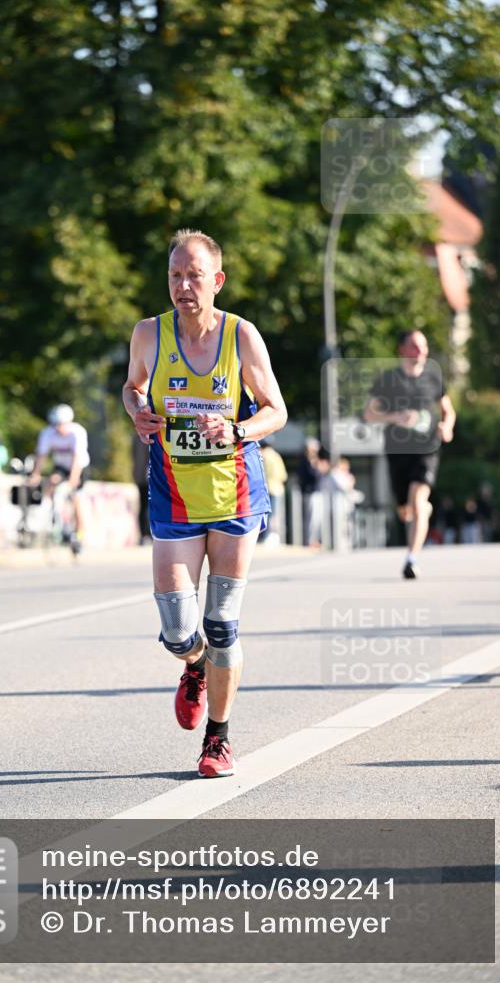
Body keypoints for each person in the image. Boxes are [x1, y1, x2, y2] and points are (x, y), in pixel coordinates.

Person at [122, 228, 287, 778]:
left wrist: (238, 429)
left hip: (234, 493)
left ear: (216, 281)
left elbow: (276, 411)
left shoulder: (241, 337)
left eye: (194, 276)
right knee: (177, 628)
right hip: (173, 493)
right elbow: (133, 387)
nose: (183, 286)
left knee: (222, 624)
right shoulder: (149, 334)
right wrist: (137, 409)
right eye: (175, 275)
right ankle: (192, 666)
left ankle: (218, 739)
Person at [364, 330, 455, 579]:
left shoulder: (433, 379)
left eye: (424, 346)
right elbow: (369, 414)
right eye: (415, 346)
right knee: (406, 509)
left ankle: (411, 559)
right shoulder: (388, 380)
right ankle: (420, 510)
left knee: (417, 499)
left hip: (427, 449)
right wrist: (395, 417)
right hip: (397, 450)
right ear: (402, 350)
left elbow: (448, 411)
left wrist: (446, 427)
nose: (421, 351)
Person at [29, 404, 90, 548]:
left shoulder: (77, 432)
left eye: (61, 424)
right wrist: (35, 475)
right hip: (61, 466)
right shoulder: (47, 433)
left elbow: (77, 458)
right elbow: (42, 456)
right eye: (55, 424)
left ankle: (79, 534)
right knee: (52, 481)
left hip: (79, 466)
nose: (58, 428)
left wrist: (73, 480)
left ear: (68, 422)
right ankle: (53, 515)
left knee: (76, 498)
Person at [258, 439, 288, 545]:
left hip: (264, 489)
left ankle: (265, 537)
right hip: (277, 489)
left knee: (264, 515)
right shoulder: (276, 456)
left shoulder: (261, 455)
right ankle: (271, 537)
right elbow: (283, 475)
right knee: (274, 515)